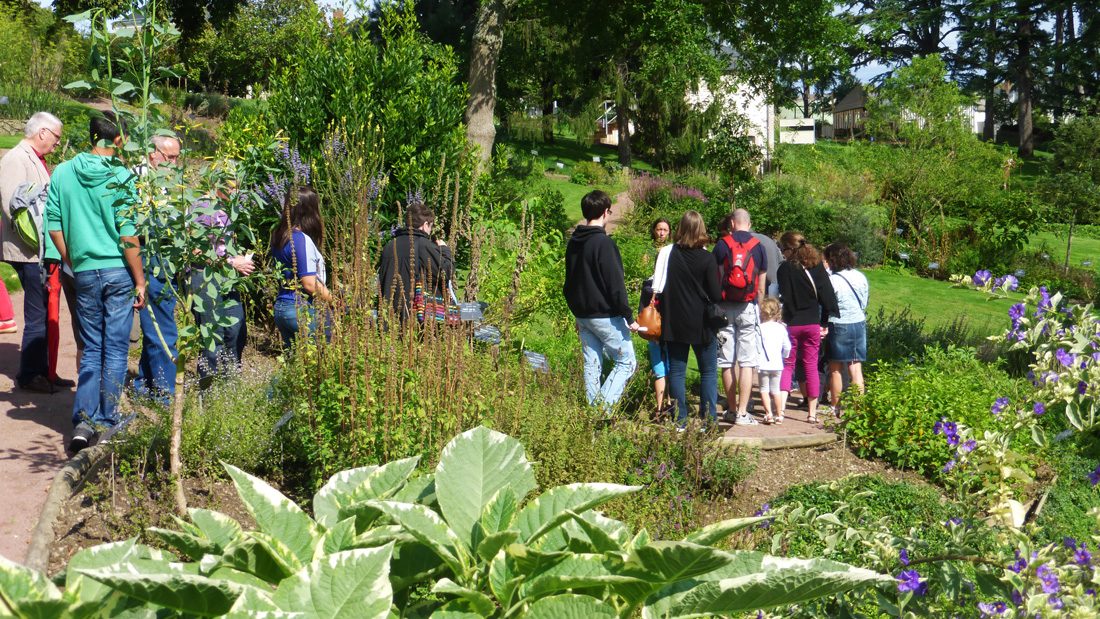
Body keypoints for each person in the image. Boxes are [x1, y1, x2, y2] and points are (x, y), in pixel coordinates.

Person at [46, 111, 146, 452]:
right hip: (118, 272)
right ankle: (105, 420)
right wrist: (141, 280)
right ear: (117, 139)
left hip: (85, 271)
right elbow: (128, 234)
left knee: (90, 349)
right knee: (116, 349)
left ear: (92, 136)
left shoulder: (62, 171)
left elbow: (54, 224)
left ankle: (83, 422)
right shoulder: (121, 175)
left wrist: (73, 258)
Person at [0, 111, 76, 392]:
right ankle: (30, 375)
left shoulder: (32, 158)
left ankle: (44, 370)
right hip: (28, 252)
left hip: (38, 251)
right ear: (42, 132)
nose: (57, 144)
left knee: (46, 311)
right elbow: (15, 212)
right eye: (56, 138)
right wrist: (45, 244)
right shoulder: (15, 160)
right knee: (37, 312)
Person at [563, 190, 638, 416]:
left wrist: (577, 312)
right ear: (606, 212)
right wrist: (629, 317)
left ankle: (592, 417)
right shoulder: (603, 244)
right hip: (604, 315)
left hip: (583, 315)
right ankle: (600, 413)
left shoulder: (574, 242)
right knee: (627, 363)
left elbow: (569, 282)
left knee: (592, 365)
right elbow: (615, 285)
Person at [661, 210, 721, 428]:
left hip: (675, 320)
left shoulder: (670, 254)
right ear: (701, 229)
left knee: (677, 370)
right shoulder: (707, 258)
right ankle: (709, 421)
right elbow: (715, 294)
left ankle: (680, 420)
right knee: (708, 371)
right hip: (702, 322)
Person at [134, 135, 182, 403]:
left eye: (177, 157)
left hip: (160, 260)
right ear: (153, 153)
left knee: (154, 324)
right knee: (162, 328)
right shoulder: (141, 180)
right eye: (169, 156)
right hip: (151, 261)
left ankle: (145, 384)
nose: (174, 163)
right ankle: (166, 393)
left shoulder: (161, 180)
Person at [190, 191, 255, 381]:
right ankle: (209, 391)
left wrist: (237, 258)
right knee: (213, 335)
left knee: (236, 329)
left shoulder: (227, 209)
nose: (238, 193)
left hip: (226, 277)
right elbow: (195, 250)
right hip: (204, 277)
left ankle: (230, 388)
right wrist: (231, 262)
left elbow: (221, 248)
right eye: (233, 187)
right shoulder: (203, 207)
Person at [776, 231, 838, 424]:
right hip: (812, 323)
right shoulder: (816, 266)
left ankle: (781, 412)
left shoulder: (784, 269)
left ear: (789, 248)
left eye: (782, 249)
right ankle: (812, 414)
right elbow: (827, 295)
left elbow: (785, 297)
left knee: (787, 366)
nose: (781, 253)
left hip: (793, 323)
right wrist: (825, 323)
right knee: (811, 366)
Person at [713, 209, 767, 426]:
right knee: (747, 362)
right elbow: (761, 286)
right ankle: (743, 413)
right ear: (749, 223)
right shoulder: (759, 247)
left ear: (732, 224)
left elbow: (715, 278)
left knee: (726, 362)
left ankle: (731, 410)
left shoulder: (722, 245)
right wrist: (760, 310)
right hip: (748, 307)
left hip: (725, 307)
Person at [271, 186, 332, 347]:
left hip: (282, 308)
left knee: (294, 364)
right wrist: (335, 301)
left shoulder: (279, 235)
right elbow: (310, 284)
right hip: (300, 309)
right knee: (320, 359)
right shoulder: (300, 239)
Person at [378, 202, 454, 322]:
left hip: (389, 317)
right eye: (431, 226)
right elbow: (445, 272)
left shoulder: (389, 245)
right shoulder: (423, 245)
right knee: (471, 311)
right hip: (415, 318)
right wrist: (445, 250)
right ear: (425, 225)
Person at [823, 242, 869, 411]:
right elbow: (865, 301)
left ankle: (835, 406)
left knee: (835, 368)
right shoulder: (860, 276)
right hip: (858, 323)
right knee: (855, 368)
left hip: (839, 324)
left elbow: (827, 305)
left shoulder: (833, 280)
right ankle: (859, 408)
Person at [640, 218, 672, 418]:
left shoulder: (668, 252)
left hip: (657, 312)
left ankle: (663, 404)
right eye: (659, 229)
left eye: (665, 230)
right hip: (657, 313)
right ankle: (664, 404)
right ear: (654, 231)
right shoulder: (649, 251)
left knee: (663, 360)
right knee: (664, 359)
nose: (661, 233)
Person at [756, 297, 791, 425]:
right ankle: (779, 414)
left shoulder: (759, 328)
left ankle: (768, 414)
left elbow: (756, 345)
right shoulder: (781, 328)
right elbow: (787, 346)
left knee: (764, 389)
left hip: (763, 363)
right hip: (777, 364)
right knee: (776, 390)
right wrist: (785, 356)